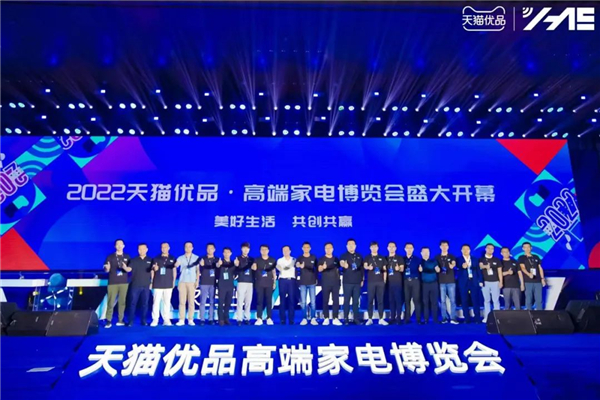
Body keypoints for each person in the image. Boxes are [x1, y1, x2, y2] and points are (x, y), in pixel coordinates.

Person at [103, 239, 132, 328]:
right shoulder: (110, 257)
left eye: (121, 244)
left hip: (124, 282)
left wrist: (125, 268)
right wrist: (107, 268)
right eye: (117, 244)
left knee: (122, 302)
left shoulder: (127, 256)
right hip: (113, 282)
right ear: (115, 246)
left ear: (124, 246)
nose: (119, 246)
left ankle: (120, 320)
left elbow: (129, 269)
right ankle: (108, 320)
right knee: (110, 302)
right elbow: (106, 269)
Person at [150, 242, 177, 327]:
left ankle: (166, 319)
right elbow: (152, 271)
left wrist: (173, 281)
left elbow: (174, 271)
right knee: (156, 302)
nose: (164, 249)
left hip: (168, 283)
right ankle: (155, 319)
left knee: (167, 302)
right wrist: (152, 281)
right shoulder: (156, 258)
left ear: (169, 248)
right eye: (162, 247)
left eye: (165, 247)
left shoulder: (172, 258)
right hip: (157, 283)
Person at [127, 243, 153, 326]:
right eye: (140, 249)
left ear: (147, 249)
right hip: (135, 285)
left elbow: (152, 271)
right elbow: (129, 269)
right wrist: (125, 268)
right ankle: (130, 321)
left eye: (143, 249)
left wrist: (152, 282)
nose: (142, 251)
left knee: (145, 304)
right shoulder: (133, 260)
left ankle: (143, 321)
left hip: (146, 285)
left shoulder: (150, 260)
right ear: (138, 250)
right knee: (132, 303)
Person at [340, 238, 364, 325]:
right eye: (349, 244)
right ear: (347, 246)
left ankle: (356, 319)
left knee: (356, 302)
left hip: (357, 282)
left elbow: (362, 269)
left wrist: (362, 279)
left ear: (355, 246)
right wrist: (344, 265)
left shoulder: (359, 256)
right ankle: (346, 319)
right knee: (346, 301)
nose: (351, 246)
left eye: (352, 244)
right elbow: (341, 262)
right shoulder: (343, 255)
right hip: (347, 282)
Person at [456, 244, 483, 323]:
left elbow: (478, 270)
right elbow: (458, 266)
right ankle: (466, 319)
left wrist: (480, 280)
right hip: (463, 282)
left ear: (470, 250)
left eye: (467, 249)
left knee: (475, 300)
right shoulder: (458, 259)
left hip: (473, 281)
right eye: (464, 249)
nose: (465, 251)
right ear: (461, 250)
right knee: (464, 300)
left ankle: (477, 318)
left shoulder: (474, 259)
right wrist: (462, 266)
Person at [175, 241, 200, 326]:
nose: (188, 248)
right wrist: (174, 265)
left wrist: (197, 281)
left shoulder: (196, 258)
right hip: (182, 282)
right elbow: (176, 265)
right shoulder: (180, 258)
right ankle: (181, 319)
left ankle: (190, 319)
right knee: (182, 302)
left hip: (192, 282)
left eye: (189, 246)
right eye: (186, 246)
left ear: (192, 248)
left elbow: (198, 271)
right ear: (184, 248)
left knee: (191, 302)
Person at [364, 241, 388, 325]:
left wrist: (384, 281)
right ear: (370, 248)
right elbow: (365, 266)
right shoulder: (367, 257)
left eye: (375, 247)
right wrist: (368, 267)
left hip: (380, 282)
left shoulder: (382, 257)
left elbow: (385, 270)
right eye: (372, 247)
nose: (374, 248)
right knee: (370, 300)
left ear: (378, 248)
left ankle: (381, 318)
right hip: (371, 282)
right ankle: (370, 319)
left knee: (380, 300)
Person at [318, 242, 342, 326]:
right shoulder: (321, 259)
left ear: (333, 249)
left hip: (335, 283)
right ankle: (326, 318)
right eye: (326, 248)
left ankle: (335, 318)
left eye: (330, 248)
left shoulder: (336, 259)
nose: (328, 250)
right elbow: (319, 269)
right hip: (325, 283)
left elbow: (338, 269)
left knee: (336, 300)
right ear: (325, 249)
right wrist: (323, 267)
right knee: (325, 300)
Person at [479, 243, 503, 323]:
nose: (490, 250)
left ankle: (497, 317)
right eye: (488, 248)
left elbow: (499, 272)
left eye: (492, 248)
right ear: (485, 249)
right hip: (485, 282)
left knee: (496, 300)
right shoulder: (481, 259)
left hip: (495, 282)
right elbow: (480, 266)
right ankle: (487, 317)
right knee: (486, 300)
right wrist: (486, 267)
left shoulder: (497, 260)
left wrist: (501, 282)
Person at [436, 240, 458, 324]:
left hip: (451, 281)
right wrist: (437, 269)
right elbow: (435, 267)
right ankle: (444, 317)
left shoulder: (452, 256)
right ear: (440, 247)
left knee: (452, 300)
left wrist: (452, 265)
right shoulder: (437, 257)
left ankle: (453, 318)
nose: (444, 247)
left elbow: (453, 263)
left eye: (446, 245)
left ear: (448, 247)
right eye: (443, 245)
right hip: (441, 281)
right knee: (442, 301)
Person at [518, 242, 546, 310]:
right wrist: (529, 274)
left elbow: (540, 268)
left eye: (528, 247)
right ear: (523, 248)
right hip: (528, 281)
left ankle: (540, 312)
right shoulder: (521, 258)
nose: (527, 249)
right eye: (525, 247)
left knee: (539, 298)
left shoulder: (536, 257)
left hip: (538, 281)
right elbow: (522, 268)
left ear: (531, 248)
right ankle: (529, 312)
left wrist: (542, 279)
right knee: (528, 298)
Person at [296, 242, 318, 326]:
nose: (306, 249)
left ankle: (313, 318)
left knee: (313, 302)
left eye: (307, 247)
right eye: (304, 247)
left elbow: (316, 269)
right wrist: (299, 265)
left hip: (312, 282)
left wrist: (316, 279)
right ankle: (304, 318)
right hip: (303, 283)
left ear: (310, 248)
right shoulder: (300, 258)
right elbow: (297, 264)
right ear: (302, 248)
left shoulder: (313, 257)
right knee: (303, 302)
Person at [253, 244, 276, 325]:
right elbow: (254, 268)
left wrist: (274, 282)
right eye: (262, 249)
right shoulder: (257, 260)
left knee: (269, 301)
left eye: (265, 249)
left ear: (268, 250)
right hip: (259, 283)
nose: (264, 251)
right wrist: (253, 267)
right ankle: (259, 318)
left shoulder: (272, 260)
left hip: (269, 283)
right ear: (260, 251)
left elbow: (274, 272)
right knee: (259, 301)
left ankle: (269, 318)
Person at [234, 242, 254, 325]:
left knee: (248, 301)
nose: (246, 250)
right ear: (241, 249)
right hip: (241, 282)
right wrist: (236, 265)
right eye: (244, 248)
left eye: (247, 248)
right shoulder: (238, 258)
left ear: (249, 250)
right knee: (240, 301)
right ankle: (239, 319)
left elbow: (254, 271)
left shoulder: (252, 259)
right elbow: (235, 271)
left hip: (250, 282)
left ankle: (247, 318)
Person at [198, 243, 218, 325]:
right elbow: (198, 270)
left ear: (214, 249)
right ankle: (202, 319)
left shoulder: (217, 259)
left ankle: (211, 319)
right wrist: (201, 266)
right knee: (202, 302)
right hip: (204, 283)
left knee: (212, 302)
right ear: (206, 249)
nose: (210, 250)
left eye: (211, 248)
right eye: (208, 248)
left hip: (213, 283)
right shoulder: (202, 259)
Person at [277, 245, 297, 324]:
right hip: (282, 281)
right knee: (282, 300)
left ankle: (291, 319)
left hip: (291, 281)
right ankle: (282, 319)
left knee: (291, 300)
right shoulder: (279, 260)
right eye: (284, 250)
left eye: (287, 250)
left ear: (290, 251)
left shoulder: (294, 260)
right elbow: (281, 269)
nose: (285, 252)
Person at [403, 243, 422, 324]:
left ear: (413, 249)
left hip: (415, 281)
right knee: (406, 300)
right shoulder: (402, 259)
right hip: (406, 281)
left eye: (411, 248)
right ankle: (407, 319)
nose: (409, 249)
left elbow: (420, 270)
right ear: (405, 249)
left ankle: (418, 319)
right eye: (407, 248)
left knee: (416, 300)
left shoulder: (417, 259)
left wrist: (421, 269)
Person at [386, 241, 405, 324]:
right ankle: (392, 317)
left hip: (397, 283)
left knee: (398, 300)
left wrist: (399, 269)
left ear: (396, 248)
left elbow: (402, 269)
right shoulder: (385, 258)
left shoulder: (399, 258)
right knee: (391, 301)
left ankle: (399, 318)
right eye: (390, 246)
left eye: (393, 246)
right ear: (387, 248)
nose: (391, 248)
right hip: (389, 283)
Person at [217, 247, 236, 325]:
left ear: (231, 253)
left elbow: (236, 273)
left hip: (230, 285)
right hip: (222, 285)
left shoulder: (233, 263)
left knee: (228, 303)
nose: (226, 254)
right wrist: (218, 265)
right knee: (221, 303)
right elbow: (216, 271)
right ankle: (220, 319)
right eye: (225, 252)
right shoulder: (220, 262)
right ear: (223, 253)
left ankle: (226, 318)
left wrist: (237, 266)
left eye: (228, 252)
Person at [421, 247, 440, 324]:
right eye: (424, 252)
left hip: (433, 284)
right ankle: (426, 319)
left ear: (429, 253)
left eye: (427, 252)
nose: (426, 253)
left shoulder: (434, 261)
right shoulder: (420, 262)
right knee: (425, 302)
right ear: (421, 253)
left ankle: (435, 319)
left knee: (434, 302)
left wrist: (437, 269)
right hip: (424, 284)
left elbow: (437, 270)